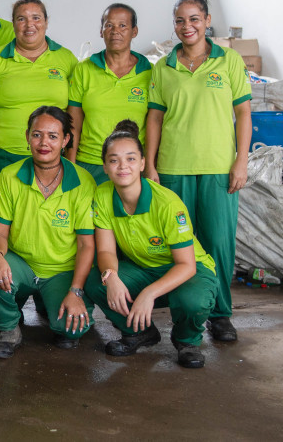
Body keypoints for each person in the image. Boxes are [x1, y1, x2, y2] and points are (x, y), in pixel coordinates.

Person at [145, 0, 252, 343]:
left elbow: (243, 114)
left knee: (218, 243)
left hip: (218, 168)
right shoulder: (164, 67)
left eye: (193, 19)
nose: (186, 26)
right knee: (178, 245)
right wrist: (151, 165)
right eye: (179, 20)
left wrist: (241, 161)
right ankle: (184, 315)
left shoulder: (229, 61)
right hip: (174, 168)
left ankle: (220, 314)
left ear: (206, 21)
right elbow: (155, 119)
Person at [84, 120, 218, 368]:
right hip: (144, 268)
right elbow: (104, 250)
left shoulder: (167, 203)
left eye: (131, 159)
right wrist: (110, 275)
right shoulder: (102, 195)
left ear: (143, 163)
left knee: (192, 300)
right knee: (96, 281)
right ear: (104, 166)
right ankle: (139, 332)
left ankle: (187, 341)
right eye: (114, 160)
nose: (123, 166)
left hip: (189, 270)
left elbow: (186, 265)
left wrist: (148, 293)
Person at [0, 106, 96, 358]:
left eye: (53, 136)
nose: (44, 142)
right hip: (22, 263)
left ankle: (52, 300)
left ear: (66, 140)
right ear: (27, 137)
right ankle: (9, 327)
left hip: (62, 269)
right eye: (37, 135)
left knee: (72, 330)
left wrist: (76, 291)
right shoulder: (9, 175)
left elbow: (86, 246)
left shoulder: (83, 181)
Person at [0, 0, 78, 185]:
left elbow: (75, 114)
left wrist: (71, 160)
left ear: (46, 22)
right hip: (4, 154)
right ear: (13, 24)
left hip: (53, 157)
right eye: (21, 19)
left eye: (36, 18)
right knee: (1, 213)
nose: (29, 25)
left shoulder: (66, 59)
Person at [67, 3, 152, 185]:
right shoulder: (84, 70)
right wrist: (70, 166)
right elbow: (73, 124)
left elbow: (155, 125)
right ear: (101, 31)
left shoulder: (150, 73)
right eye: (109, 25)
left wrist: (150, 166)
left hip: (131, 167)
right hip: (90, 163)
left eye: (123, 25)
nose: (115, 31)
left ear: (134, 31)